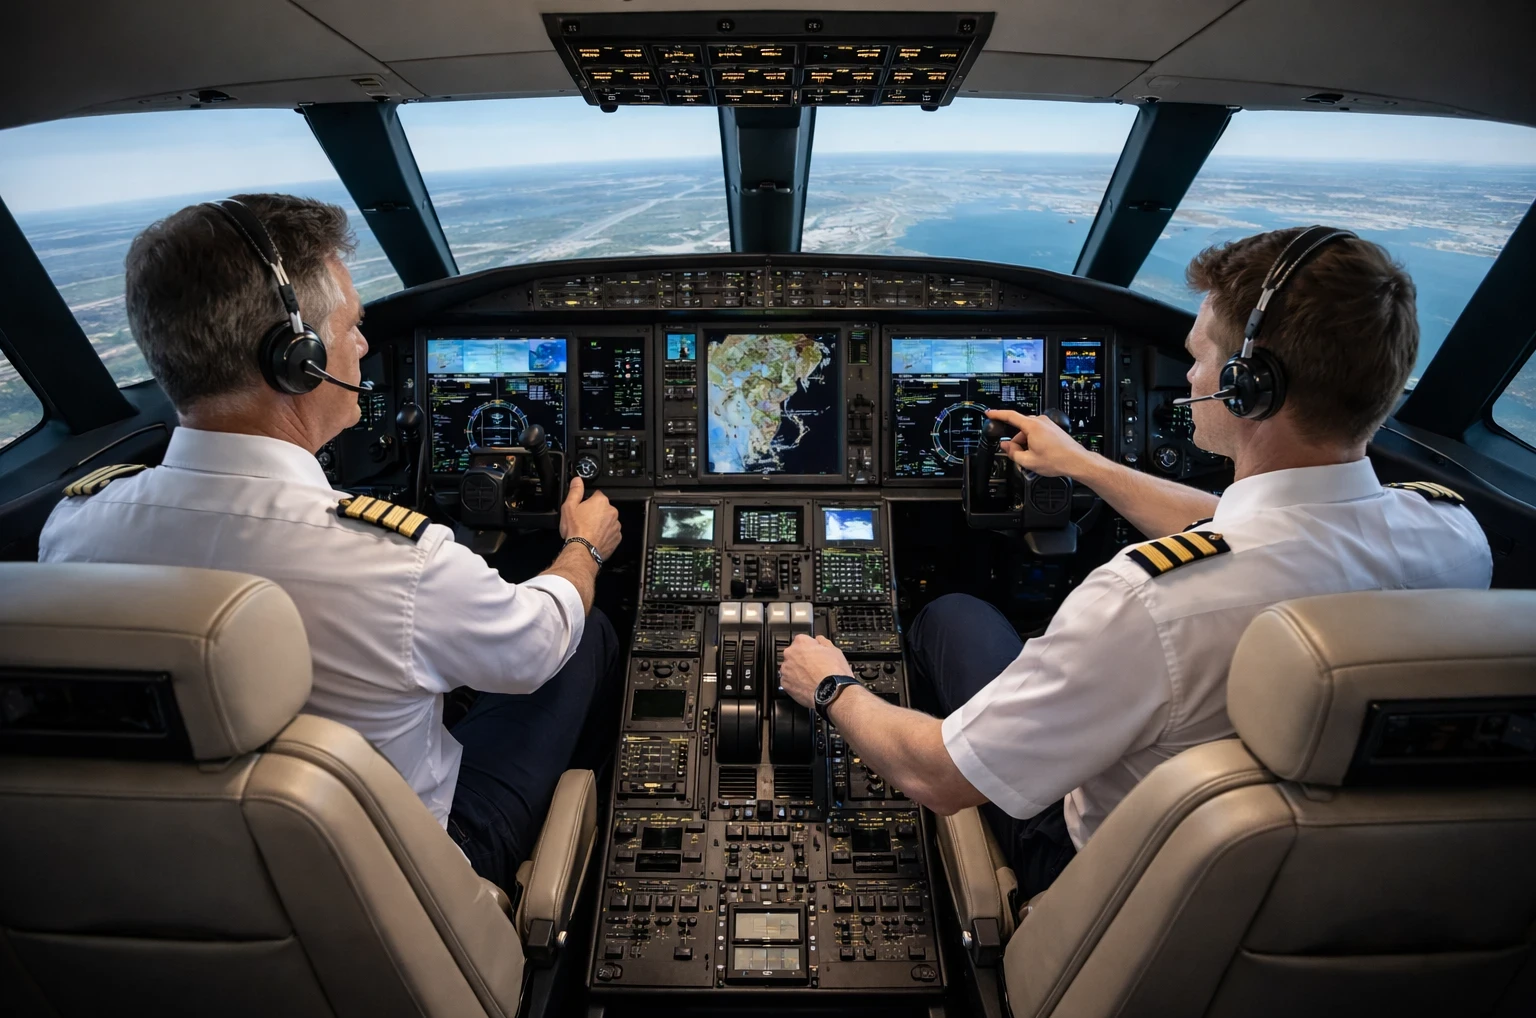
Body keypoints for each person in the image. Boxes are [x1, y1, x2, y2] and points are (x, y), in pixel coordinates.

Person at [780, 225, 1492, 899]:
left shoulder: (1148, 604)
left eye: (1200, 356)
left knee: (951, 613)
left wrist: (832, 685)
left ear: (1249, 386)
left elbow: (935, 777)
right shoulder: (1453, 536)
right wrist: (1085, 465)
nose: (1189, 376)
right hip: (1319, 876)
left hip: (1104, 873)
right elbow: (1268, 531)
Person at [38, 193, 622, 893]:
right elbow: (536, 644)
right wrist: (583, 549)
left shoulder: (73, 529)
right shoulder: (398, 563)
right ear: (298, 360)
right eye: (352, 327)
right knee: (585, 632)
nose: (365, 347)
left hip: (170, 872)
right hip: (407, 887)